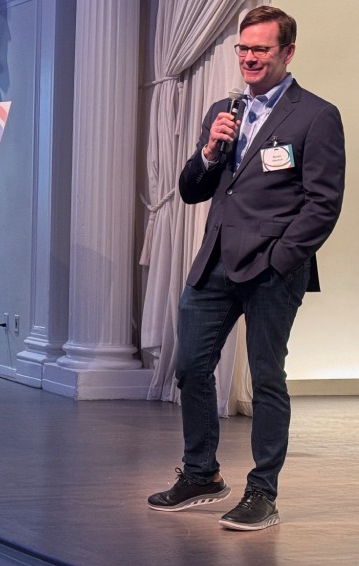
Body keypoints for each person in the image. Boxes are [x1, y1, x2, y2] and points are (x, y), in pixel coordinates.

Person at [147, 6, 345, 531]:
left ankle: (263, 493)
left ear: (287, 52)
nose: (250, 58)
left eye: (261, 48)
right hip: (215, 261)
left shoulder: (316, 115)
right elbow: (192, 190)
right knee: (190, 366)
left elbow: (323, 204)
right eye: (244, 48)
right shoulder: (225, 109)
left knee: (266, 378)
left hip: (272, 269)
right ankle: (201, 475)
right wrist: (210, 151)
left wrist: (280, 260)